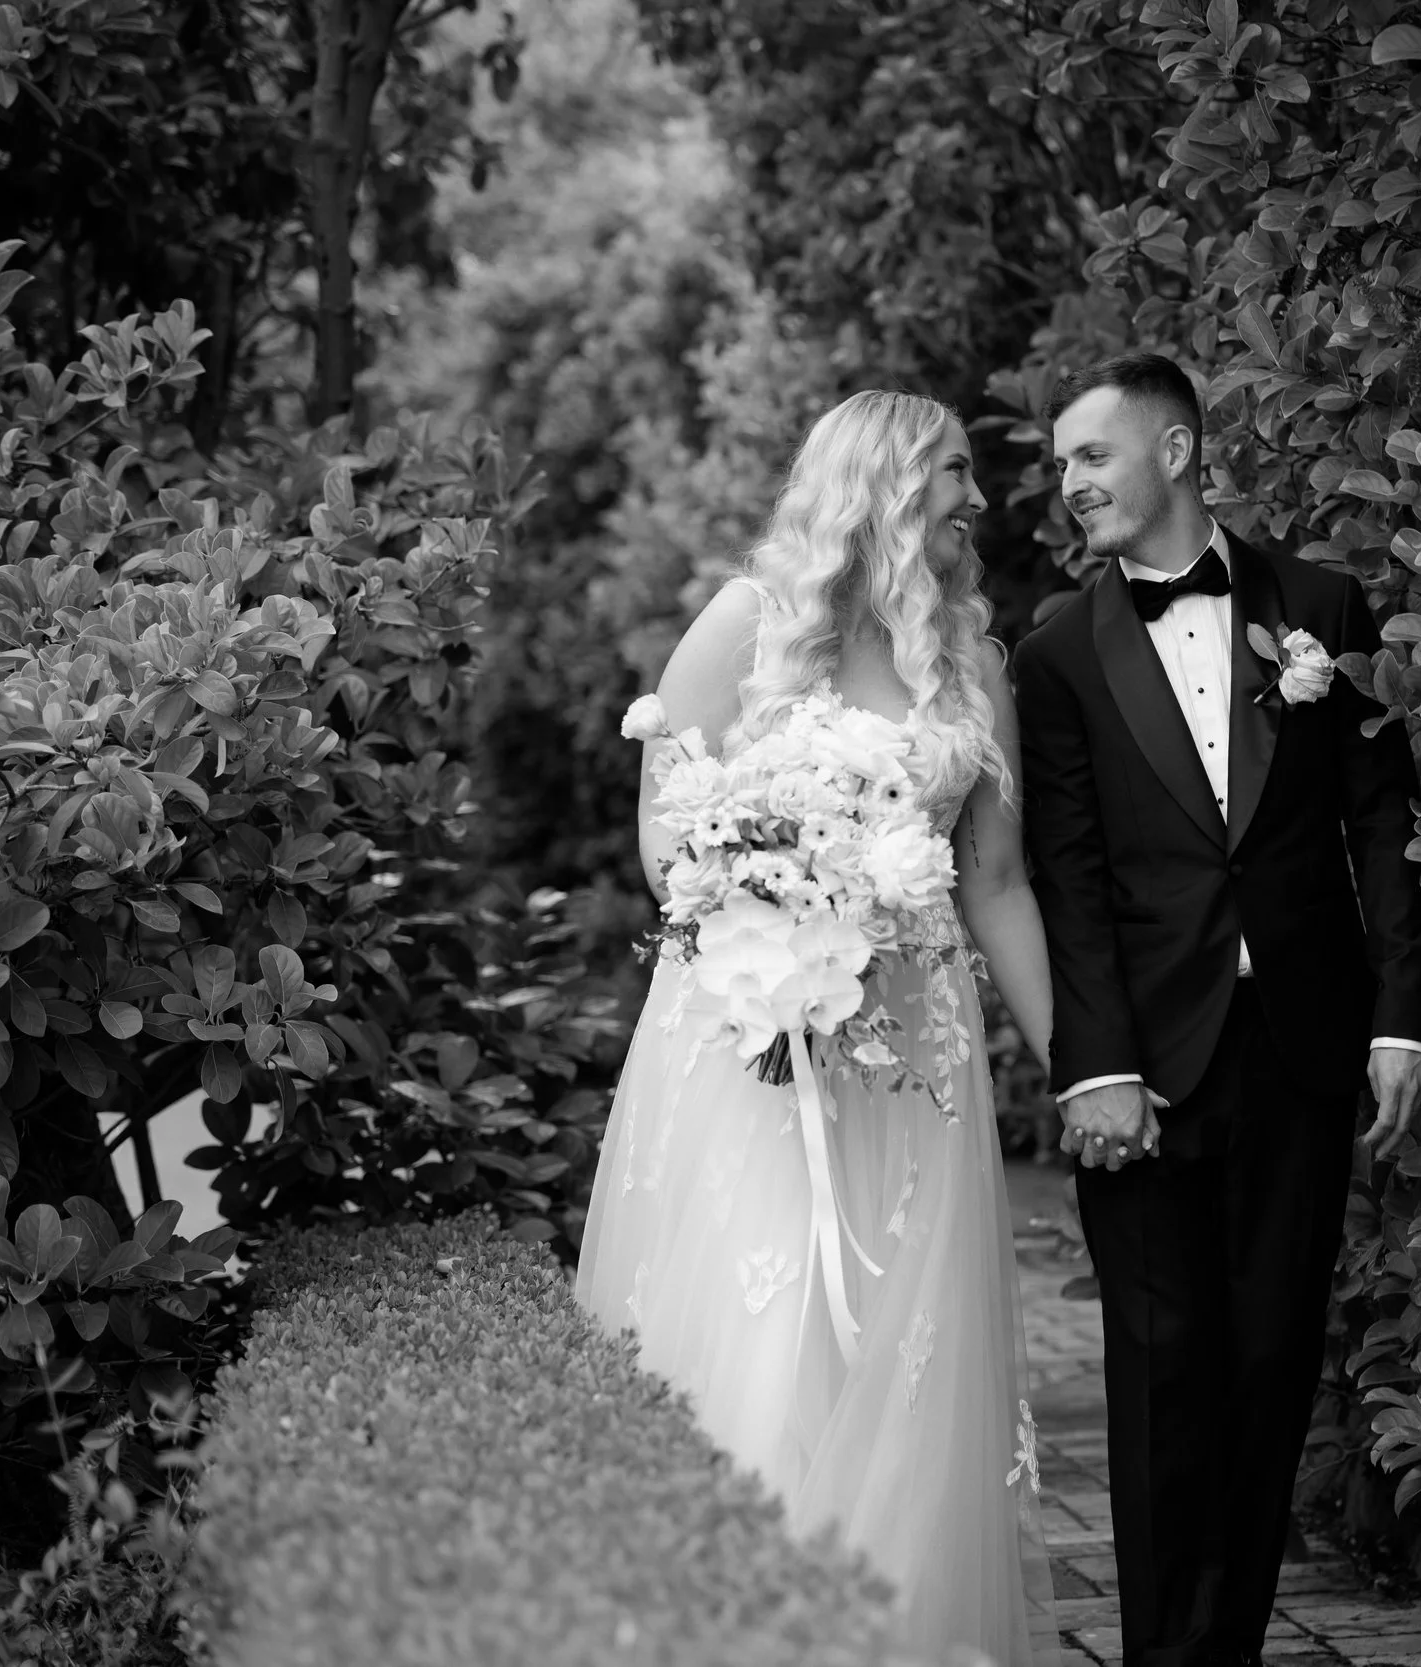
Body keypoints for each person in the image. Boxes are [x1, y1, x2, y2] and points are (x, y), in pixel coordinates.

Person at [574, 390, 1061, 1667]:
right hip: (752, 1036)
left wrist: (1075, 1064)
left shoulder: (973, 663)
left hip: (916, 1053)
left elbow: (997, 883)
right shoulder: (747, 620)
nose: (977, 499)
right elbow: (666, 834)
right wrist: (778, 902)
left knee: (903, 1337)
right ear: (885, 482)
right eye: (955, 472)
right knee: (767, 1322)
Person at [1013, 353, 1421, 1667]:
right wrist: (1094, 1065)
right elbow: (1068, 879)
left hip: (1302, 1049)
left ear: (1177, 452)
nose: (1070, 481)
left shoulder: (1321, 606)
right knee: (1161, 1371)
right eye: (1062, 463)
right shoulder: (1056, 651)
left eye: (1092, 455)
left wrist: (1401, 1017)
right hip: (1147, 1065)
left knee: (1270, 1364)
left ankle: (1229, 1649)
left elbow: (1383, 822)